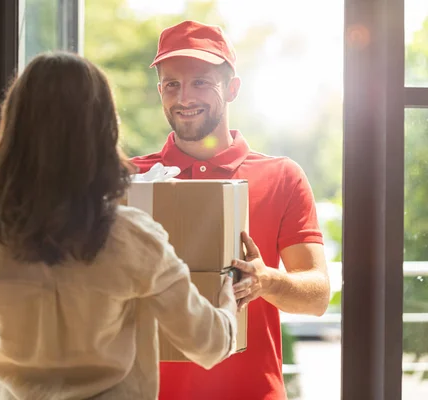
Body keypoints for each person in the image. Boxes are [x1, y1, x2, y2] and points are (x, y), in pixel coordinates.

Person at [0, 51, 240, 400]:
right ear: (104, 129)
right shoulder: (133, 237)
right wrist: (229, 302)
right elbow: (207, 343)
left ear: (13, 127)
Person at [131, 20, 331, 400]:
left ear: (233, 88)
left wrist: (266, 281)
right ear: (160, 91)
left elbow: (317, 295)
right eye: (172, 84)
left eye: (201, 82)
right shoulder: (132, 179)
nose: (184, 96)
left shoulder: (282, 176)